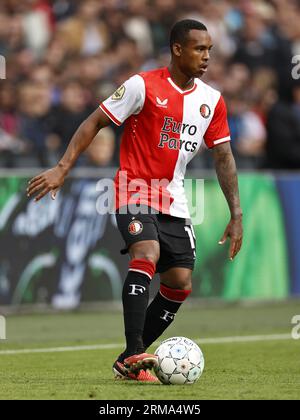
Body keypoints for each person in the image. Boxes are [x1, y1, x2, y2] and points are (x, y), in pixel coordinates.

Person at [27, 19, 243, 382]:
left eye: (209, 50)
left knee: (180, 283)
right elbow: (94, 122)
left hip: (173, 199)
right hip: (133, 189)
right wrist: (62, 168)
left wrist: (236, 213)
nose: (206, 57)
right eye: (199, 49)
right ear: (177, 49)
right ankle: (134, 352)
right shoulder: (142, 86)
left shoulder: (212, 101)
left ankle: (129, 359)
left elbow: (224, 157)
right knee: (147, 254)